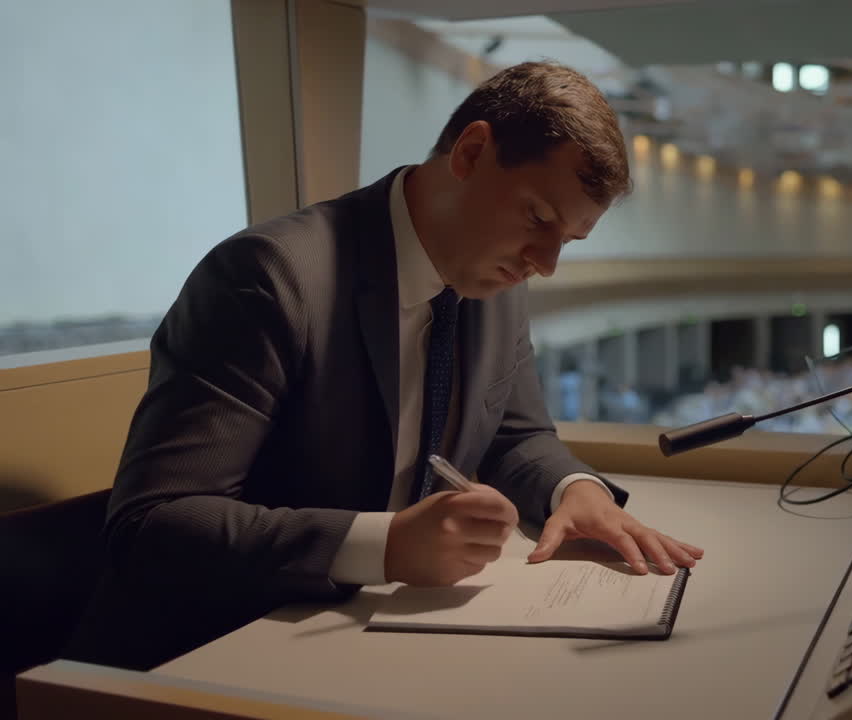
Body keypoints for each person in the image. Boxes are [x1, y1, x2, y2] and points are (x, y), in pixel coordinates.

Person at [67, 61, 702, 670]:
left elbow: (516, 435)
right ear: (472, 153)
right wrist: (385, 546)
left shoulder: (497, 280)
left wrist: (576, 490)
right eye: (538, 217)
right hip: (194, 655)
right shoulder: (266, 278)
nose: (545, 261)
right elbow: (154, 525)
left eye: (566, 239)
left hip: (356, 640)